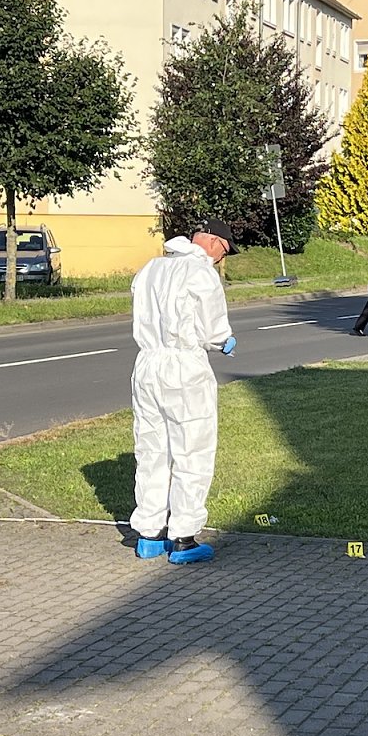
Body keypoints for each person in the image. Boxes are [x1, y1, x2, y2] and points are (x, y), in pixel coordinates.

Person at [129, 217, 239, 565]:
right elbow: (212, 331)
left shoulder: (151, 268)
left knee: (151, 448)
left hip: (148, 364)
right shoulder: (201, 273)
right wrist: (224, 342)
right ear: (212, 241)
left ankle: (149, 534)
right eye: (224, 251)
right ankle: (183, 538)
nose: (221, 258)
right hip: (185, 367)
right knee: (192, 449)